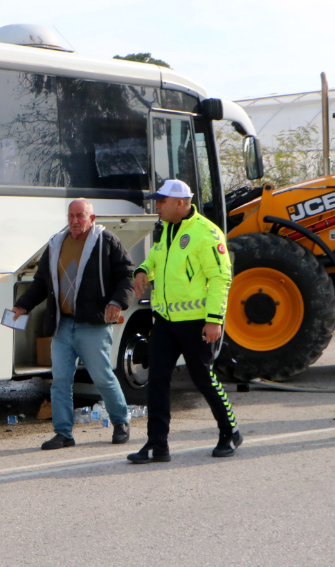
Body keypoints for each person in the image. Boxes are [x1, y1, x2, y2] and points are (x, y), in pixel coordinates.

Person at [127, 179, 241, 463]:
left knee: (203, 378)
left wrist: (214, 320)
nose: (157, 206)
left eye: (162, 201)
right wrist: (143, 270)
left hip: (197, 322)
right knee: (157, 380)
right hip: (165, 320)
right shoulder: (164, 229)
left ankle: (230, 432)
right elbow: (156, 258)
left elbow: (220, 278)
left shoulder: (207, 233)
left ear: (180, 203)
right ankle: (157, 444)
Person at [12, 199, 136, 450]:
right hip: (62, 325)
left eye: (80, 215)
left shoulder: (106, 241)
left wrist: (117, 301)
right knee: (60, 381)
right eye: (71, 216)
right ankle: (63, 433)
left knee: (102, 377)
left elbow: (126, 274)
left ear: (92, 218)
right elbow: (41, 283)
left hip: (92, 324)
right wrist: (22, 305)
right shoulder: (56, 243)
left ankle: (121, 422)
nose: (75, 220)